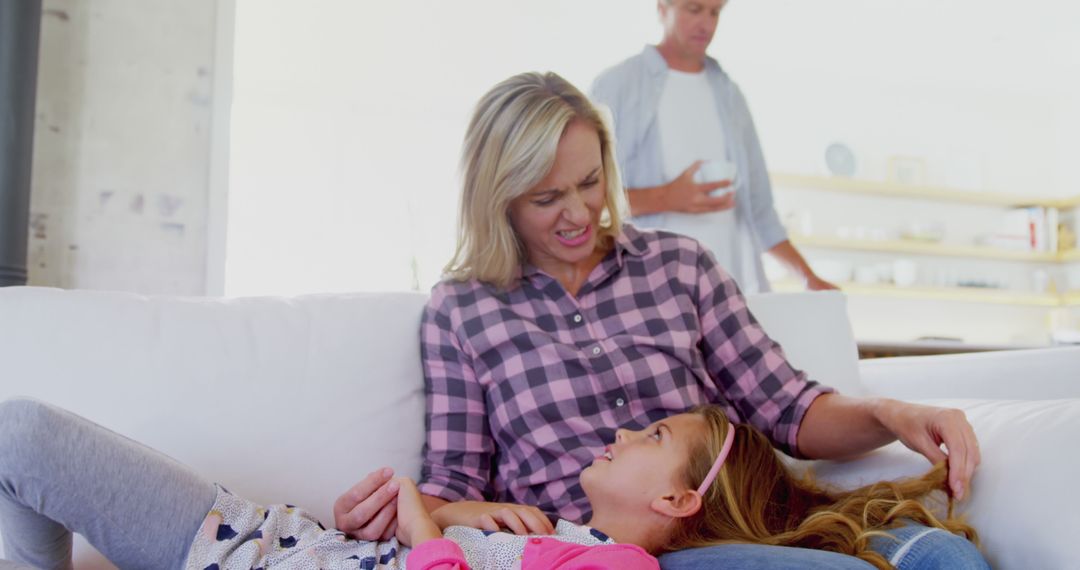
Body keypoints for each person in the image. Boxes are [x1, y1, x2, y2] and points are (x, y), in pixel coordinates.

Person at [332, 71, 982, 569]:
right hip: (619, 555)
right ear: (497, 200)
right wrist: (449, 512)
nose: (579, 214)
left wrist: (892, 414)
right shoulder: (463, 310)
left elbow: (788, 408)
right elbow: (448, 488)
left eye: (590, 182)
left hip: (746, 516)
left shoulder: (679, 266)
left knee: (942, 556)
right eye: (546, 197)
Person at [0, 398, 986, 569]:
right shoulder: (562, 533)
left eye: (648, 435)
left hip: (241, 556)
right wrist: (438, 513)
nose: (618, 430)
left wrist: (428, 521)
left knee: (21, 437)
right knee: (20, 435)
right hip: (273, 536)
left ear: (681, 500)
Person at [590, 0, 835, 294]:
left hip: (724, 293)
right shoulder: (616, 86)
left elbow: (760, 210)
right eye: (694, 9)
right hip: (648, 292)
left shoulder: (730, 95)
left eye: (715, 12)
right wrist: (667, 197)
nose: (706, 23)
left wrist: (808, 277)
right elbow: (589, 199)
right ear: (662, 8)